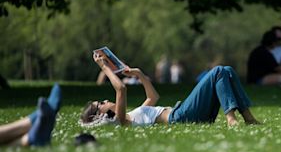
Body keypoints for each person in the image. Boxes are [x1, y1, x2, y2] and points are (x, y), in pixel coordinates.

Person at [80, 53, 259, 127]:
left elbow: (153, 97)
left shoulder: (130, 115)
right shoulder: (121, 121)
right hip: (180, 116)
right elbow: (121, 88)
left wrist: (140, 74)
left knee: (226, 71)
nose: (104, 101)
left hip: (185, 114)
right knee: (219, 71)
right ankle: (231, 118)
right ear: (99, 115)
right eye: (100, 104)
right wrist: (104, 67)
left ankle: (248, 117)